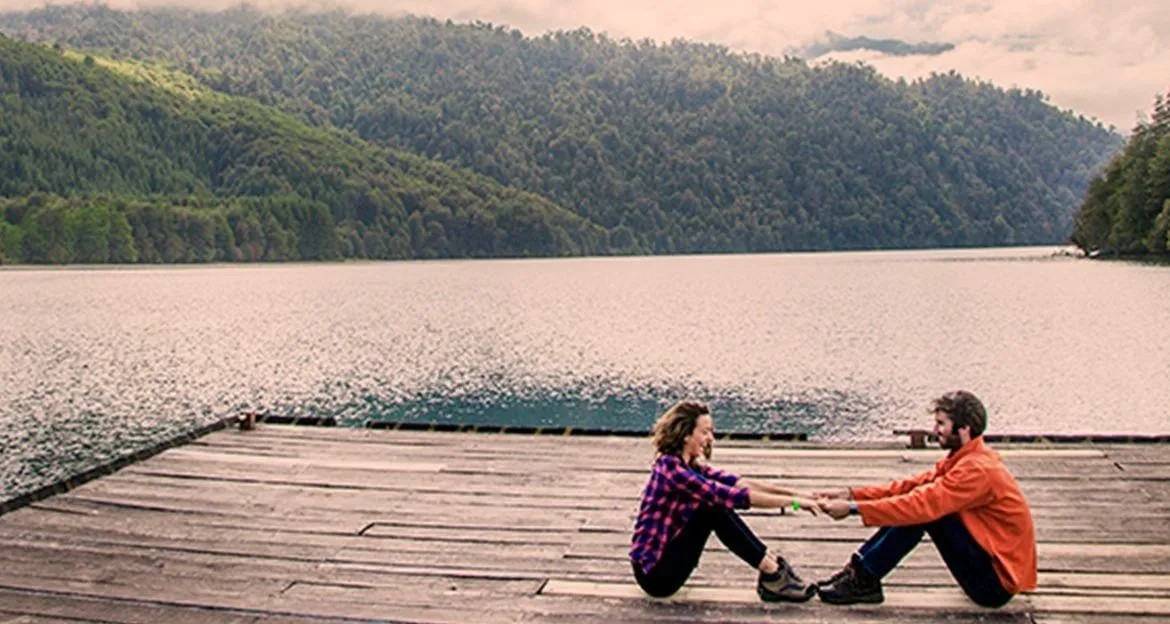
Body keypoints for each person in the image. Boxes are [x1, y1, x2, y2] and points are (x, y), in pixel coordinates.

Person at [815, 390, 1037, 607]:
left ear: (964, 429)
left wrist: (853, 508)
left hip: (994, 586)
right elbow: (910, 487)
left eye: (941, 424)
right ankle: (860, 570)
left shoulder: (977, 470)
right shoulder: (967, 458)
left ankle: (864, 579)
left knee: (924, 512)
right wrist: (853, 494)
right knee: (919, 504)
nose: (935, 430)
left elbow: (920, 504)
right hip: (988, 569)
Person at [629, 400, 820, 602]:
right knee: (713, 509)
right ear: (686, 435)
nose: (710, 438)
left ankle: (772, 569)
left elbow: (740, 483)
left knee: (713, 506)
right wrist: (794, 503)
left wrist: (798, 495)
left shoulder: (690, 466)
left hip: (666, 563)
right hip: (655, 576)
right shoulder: (673, 471)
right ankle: (772, 572)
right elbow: (736, 497)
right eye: (705, 432)